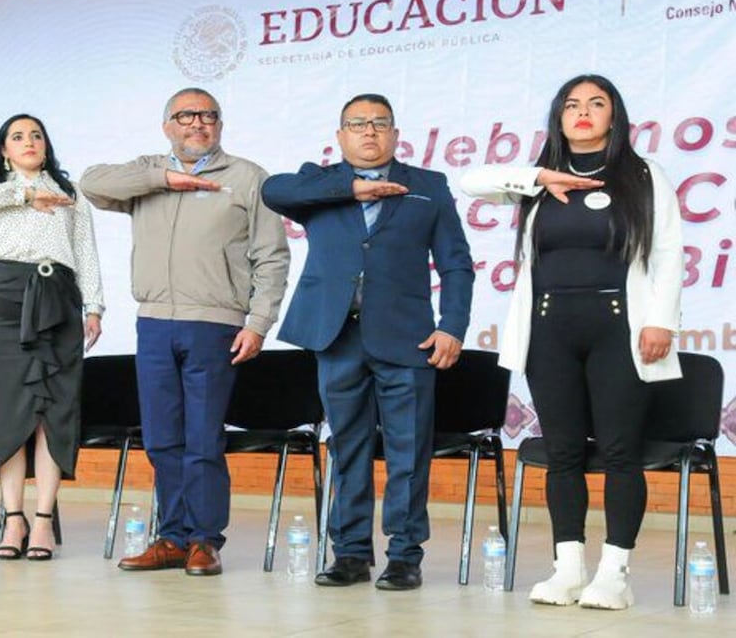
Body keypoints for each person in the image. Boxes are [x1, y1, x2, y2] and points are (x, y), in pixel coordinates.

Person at [459, 74, 682, 610]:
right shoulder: (536, 182)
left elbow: (669, 250)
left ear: (615, 115)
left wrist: (661, 322)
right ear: (559, 117)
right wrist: (538, 175)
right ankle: (568, 570)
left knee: (619, 451)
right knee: (561, 452)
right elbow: (471, 180)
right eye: (572, 104)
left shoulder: (644, 174)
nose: (583, 112)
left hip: (618, 327)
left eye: (596, 103)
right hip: (548, 330)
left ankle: (614, 573)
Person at [262, 93, 474, 591]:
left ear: (396, 135)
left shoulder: (429, 187)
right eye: (357, 124)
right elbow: (274, 190)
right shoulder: (317, 186)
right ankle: (351, 553)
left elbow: (456, 263)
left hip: (408, 337)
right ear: (340, 137)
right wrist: (350, 187)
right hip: (338, 337)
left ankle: (404, 555)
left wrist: (453, 325)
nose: (369, 132)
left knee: (408, 450)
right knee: (348, 446)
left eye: (380, 124)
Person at [81, 88, 289, 576]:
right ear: (167, 125)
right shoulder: (146, 172)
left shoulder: (247, 177)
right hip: (153, 321)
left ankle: (203, 540)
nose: (199, 124)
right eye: (186, 116)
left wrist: (258, 322)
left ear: (220, 125)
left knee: (202, 439)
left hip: (214, 324)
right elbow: (90, 183)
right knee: (160, 439)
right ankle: (171, 536)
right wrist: (162, 179)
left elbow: (272, 255)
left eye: (209, 116)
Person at [0, 113, 104, 561]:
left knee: (53, 410)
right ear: (4, 148)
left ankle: (43, 520)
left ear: (47, 144)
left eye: (36, 135)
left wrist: (94, 305)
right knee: (6, 409)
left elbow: (85, 250)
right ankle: (13, 517)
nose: (28, 142)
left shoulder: (68, 192)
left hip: (58, 297)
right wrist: (26, 194)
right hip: (5, 299)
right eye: (17, 136)